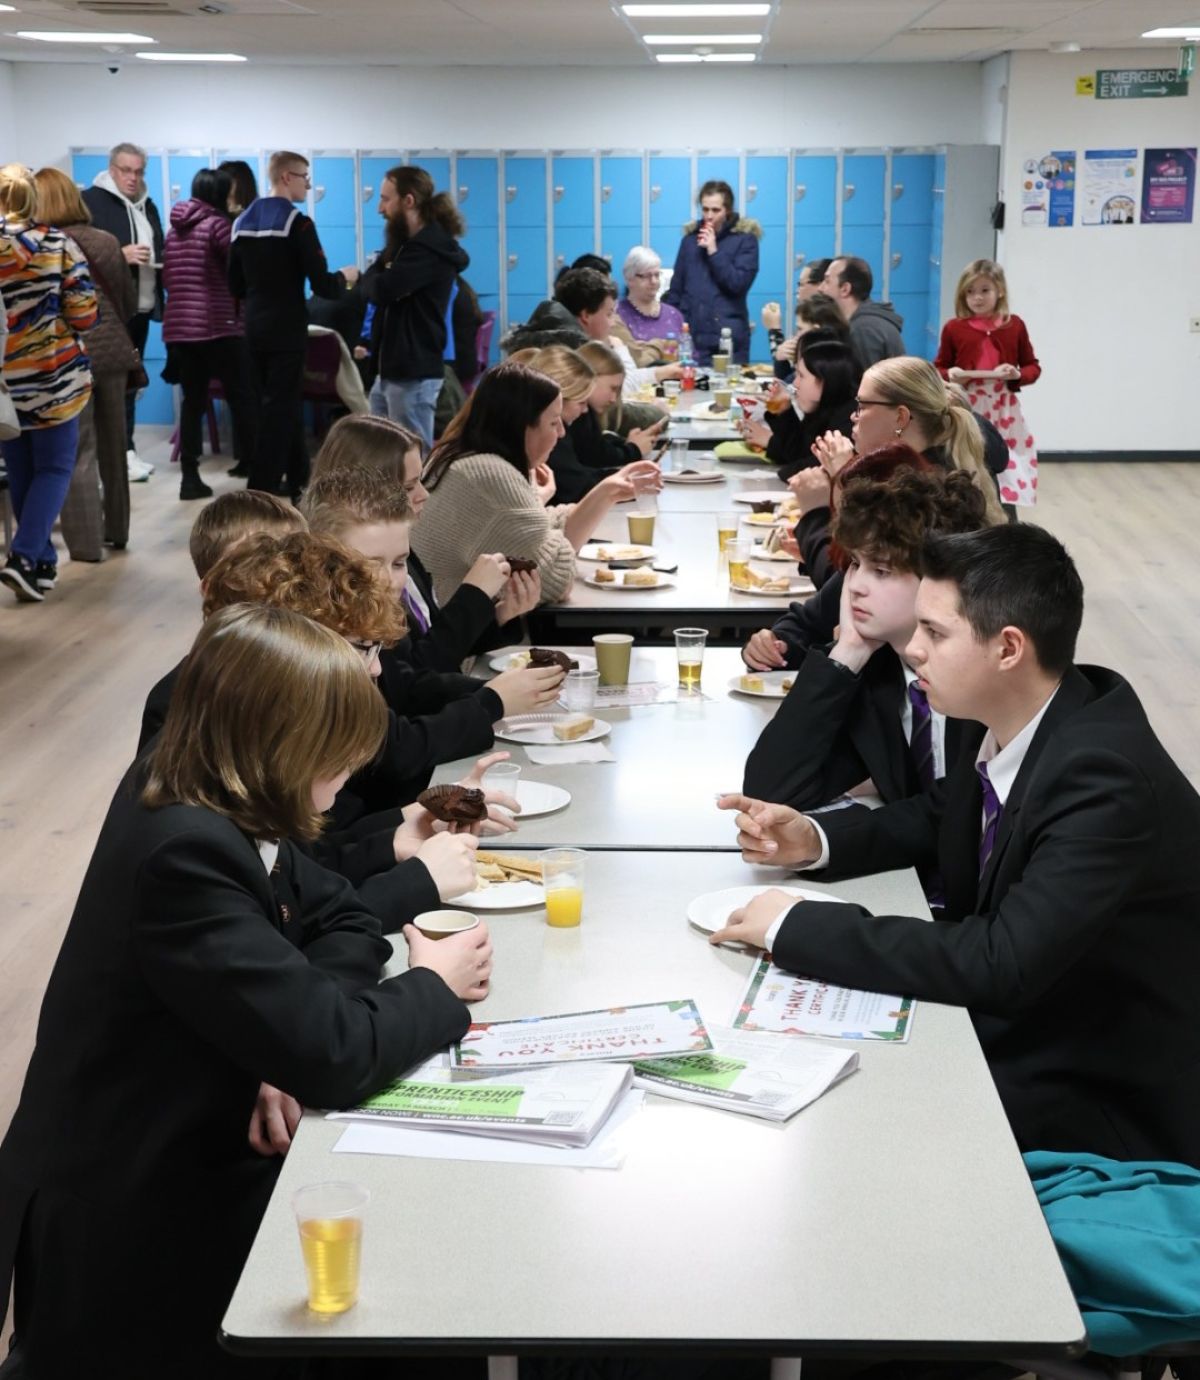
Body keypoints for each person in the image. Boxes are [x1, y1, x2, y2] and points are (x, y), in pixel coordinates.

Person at [0, 602, 488, 1378]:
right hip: (127, 1219)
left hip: (188, 1144)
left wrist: (282, 1030)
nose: (349, 774)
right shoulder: (185, 850)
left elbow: (342, 917)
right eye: (338, 755)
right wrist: (434, 984)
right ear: (282, 744)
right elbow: (336, 1054)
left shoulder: (220, 796)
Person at [716, 523, 1200, 1169]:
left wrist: (797, 924)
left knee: (842, 1125)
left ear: (1008, 648)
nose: (914, 649)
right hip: (1036, 1026)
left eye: (935, 633)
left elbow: (1002, 961)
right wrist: (816, 839)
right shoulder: (1015, 713)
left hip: (1104, 1092)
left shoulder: (1103, 777)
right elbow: (942, 813)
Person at [743, 466, 988, 825]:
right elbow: (768, 792)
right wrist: (846, 654)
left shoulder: (982, 675)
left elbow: (955, 818)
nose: (856, 585)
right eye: (857, 564)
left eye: (882, 571)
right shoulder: (876, 671)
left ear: (939, 581)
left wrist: (825, 842)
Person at [740, 357, 1005, 673]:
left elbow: (842, 594)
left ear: (901, 417)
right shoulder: (904, 479)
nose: (853, 416)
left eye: (863, 406)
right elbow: (824, 608)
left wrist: (816, 514)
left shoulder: (921, 500)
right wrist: (782, 641)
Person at [413, 360, 659, 606]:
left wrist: (607, 493)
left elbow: (537, 535)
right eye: (553, 422)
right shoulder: (488, 474)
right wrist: (540, 506)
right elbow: (553, 583)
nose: (561, 432)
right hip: (463, 628)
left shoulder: (464, 458)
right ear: (521, 426)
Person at [309, 413, 540, 671]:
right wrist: (474, 595)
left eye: (420, 480)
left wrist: (500, 614)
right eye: (409, 487)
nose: (424, 494)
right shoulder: (355, 583)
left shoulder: (402, 553)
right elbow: (417, 673)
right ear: (366, 493)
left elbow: (435, 642)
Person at [228, 149, 359, 498]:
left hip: (253, 330)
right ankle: (260, 493)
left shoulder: (241, 224)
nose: (308, 185)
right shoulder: (298, 223)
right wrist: (347, 278)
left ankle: (301, 483)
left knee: (276, 408)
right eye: (305, 177)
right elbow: (323, 285)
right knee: (280, 412)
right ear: (286, 177)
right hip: (286, 331)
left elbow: (234, 285)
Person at [0, 164, 97, 603]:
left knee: (21, 470)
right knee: (55, 468)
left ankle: (40, 562)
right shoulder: (58, 244)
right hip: (54, 376)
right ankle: (23, 557)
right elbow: (84, 314)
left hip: (6, 381)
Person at [33, 166, 135, 558]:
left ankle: (87, 545)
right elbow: (127, 301)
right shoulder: (107, 241)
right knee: (115, 447)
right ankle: (118, 530)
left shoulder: (44, 247)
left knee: (79, 453)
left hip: (68, 358)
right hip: (112, 356)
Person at [163, 167, 259, 501]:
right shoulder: (218, 225)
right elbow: (239, 271)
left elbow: (168, 278)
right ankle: (257, 472)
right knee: (243, 397)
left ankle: (189, 477)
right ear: (219, 194)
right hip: (219, 326)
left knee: (193, 402)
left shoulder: (174, 230)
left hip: (181, 329)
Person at [361, 164, 470, 450]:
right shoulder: (404, 246)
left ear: (408, 201)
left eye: (386, 199)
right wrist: (376, 276)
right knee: (381, 452)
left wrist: (375, 276)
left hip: (412, 372)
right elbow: (375, 280)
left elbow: (379, 289)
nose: (380, 209)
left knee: (411, 455)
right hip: (391, 370)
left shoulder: (428, 252)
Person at [80, 142, 163, 477]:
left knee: (132, 382)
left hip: (139, 307)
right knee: (108, 386)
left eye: (139, 171)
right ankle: (111, 455)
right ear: (112, 169)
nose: (133, 178)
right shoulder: (91, 202)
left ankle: (126, 448)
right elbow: (80, 253)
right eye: (126, 171)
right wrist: (120, 254)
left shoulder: (146, 204)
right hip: (107, 313)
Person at [935, 258, 1041, 509]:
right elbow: (938, 368)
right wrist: (951, 374)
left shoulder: (1014, 326)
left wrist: (1016, 374)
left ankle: (1005, 510)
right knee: (967, 458)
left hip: (1004, 409)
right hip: (967, 404)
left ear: (999, 290)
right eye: (970, 292)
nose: (977, 298)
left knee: (1007, 464)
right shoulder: (954, 328)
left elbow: (1032, 367)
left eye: (985, 290)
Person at [738, 328, 860, 482]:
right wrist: (784, 412)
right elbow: (799, 451)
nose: (795, 383)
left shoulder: (851, 419)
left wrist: (772, 444)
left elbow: (810, 467)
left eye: (801, 375)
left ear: (825, 380)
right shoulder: (824, 409)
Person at [662, 179, 760, 366]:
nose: (709, 216)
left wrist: (714, 251)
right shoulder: (689, 241)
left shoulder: (745, 240)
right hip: (691, 338)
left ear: (727, 210)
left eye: (716, 210)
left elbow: (737, 284)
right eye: (705, 209)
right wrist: (669, 326)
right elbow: (676, 289)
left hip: (728, 339)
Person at [820, 255, 906, 369]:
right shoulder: (867, 322)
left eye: (827, 281)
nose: (820, 288)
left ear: (845, 289)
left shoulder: (863, 329)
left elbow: (864, 379)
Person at [615, 244, 685, 349]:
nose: (654, 281)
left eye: (657, 275)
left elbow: (688, 352)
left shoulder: (674, 315)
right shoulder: (617, 315)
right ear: (629, 279)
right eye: (647, 276)